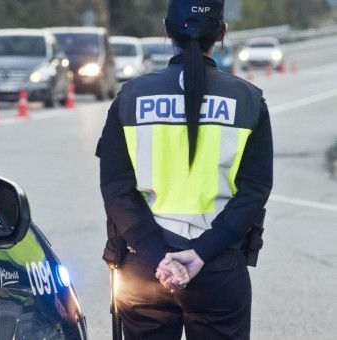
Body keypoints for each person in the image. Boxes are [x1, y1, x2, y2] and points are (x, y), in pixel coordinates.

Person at [97, 0, 273, 338]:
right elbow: (254, 191)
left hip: (144, 267)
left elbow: (116, 189)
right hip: (217, 266)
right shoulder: (249, 101)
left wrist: (157, 256)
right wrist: (202, 253)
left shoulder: (130, 97)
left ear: (166, 30)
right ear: (222, 34)